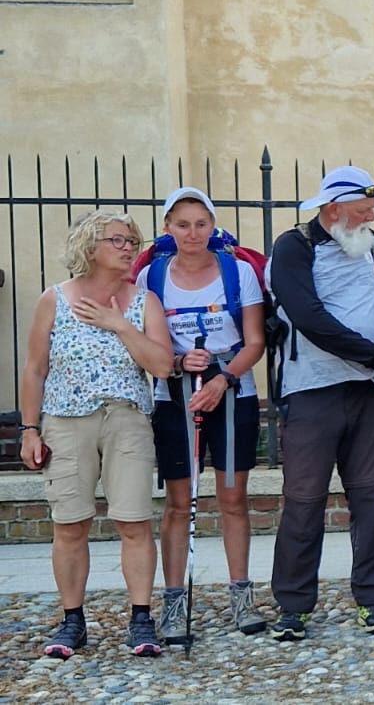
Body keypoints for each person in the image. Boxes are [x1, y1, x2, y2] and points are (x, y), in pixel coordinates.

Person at [19, 207, 174, 658]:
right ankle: (72, 621)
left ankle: (141, 619)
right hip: (66, 423)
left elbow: (163, 366)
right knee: (70, 524)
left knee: (134, 521)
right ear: (90, 247)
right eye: (118, 241)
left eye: (132, 241)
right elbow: (34, 370)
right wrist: (30, 430)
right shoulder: (55, 299)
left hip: (127, 420)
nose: (129, 248)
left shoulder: (144, 302)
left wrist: (119, 325)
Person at [268, 166, 374, 641]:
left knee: (369, 497)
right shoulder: (293, 246)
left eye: (372, 211)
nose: (370, 218)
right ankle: (292, 606)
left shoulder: (365, 244)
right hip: (311, 389)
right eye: (361, 211)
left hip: (363, 389)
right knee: (305, 500)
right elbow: (310, 318)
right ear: (332, 211)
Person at [137, 187, 269, 644]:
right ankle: (174, 602)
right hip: (174, 394)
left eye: (201, 224)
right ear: (167, 229)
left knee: (232, 499)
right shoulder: (152, 277)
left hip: (232, 391)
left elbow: (254, 340)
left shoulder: (238, 272)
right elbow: (146, 342)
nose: (192, 233)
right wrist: (176, 364)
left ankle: (241, 596)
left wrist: (221, 380)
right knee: (178, 502)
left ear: (213, 228)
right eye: (182, 224)